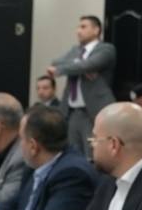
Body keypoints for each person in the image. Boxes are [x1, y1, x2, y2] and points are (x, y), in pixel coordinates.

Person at [46, 14, 115, 155]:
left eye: (83, 27)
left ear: (96, 30)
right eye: (78, 27)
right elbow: (55, 63)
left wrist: (80, 67)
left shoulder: (106, 49)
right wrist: (80, 66)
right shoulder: (75, 50)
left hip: (93, 111)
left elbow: (90, 64)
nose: (78, 31)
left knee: (93, 153)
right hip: (72, 111)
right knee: (72, 152)